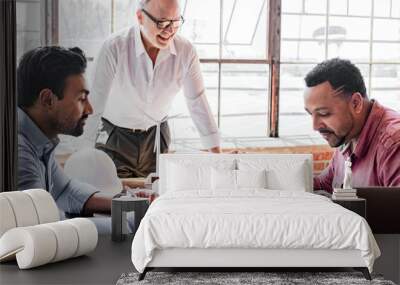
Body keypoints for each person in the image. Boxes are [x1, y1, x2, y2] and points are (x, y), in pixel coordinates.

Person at [89, 0, 221, 178]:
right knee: (115, 198)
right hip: (114, 136)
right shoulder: (114, 47)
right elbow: (93, 105)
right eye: (162, 22)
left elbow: (197, 100)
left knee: (156, 195)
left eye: (175, 22)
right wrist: (81, 155)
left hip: (157, 135)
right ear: (140, 17)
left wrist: (216, 154)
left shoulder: (186, 51)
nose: (170, 30)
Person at [17, 46, 112, 215]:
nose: (89, 109)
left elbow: (64, 190)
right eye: (81, 99)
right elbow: (42, 227)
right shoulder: (20, 154)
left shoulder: (39, 141)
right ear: (48, 100)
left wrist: (125, 204)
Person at [304, 58, 400, 193]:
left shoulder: (394, 144)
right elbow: (324, 183)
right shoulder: (346, 134)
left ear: (356, 103)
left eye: (324, 113)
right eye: (311, 114)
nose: (315, 126)